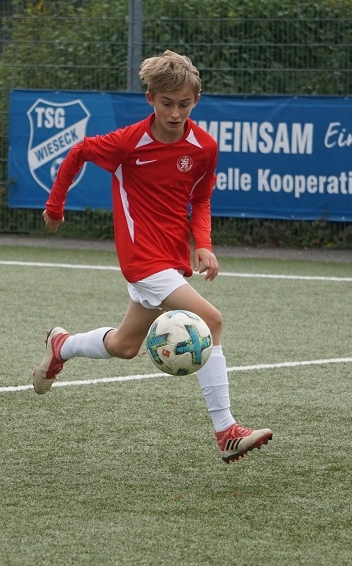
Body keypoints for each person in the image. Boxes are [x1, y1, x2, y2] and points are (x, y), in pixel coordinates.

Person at [32, 50, 272, 464]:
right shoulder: (128, 142)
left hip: (171, 257)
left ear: (196, 100)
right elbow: (78, 152)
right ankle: (226, 431)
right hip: (141, 258)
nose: (176, 113)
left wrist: (203, 243)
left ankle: (62, 345)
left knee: (125, 345)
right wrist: (55, 208)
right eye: (167, 103)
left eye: (184, 104)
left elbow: (201, 198)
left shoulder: (204, 147)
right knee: (212, 321)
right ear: (150, 99)